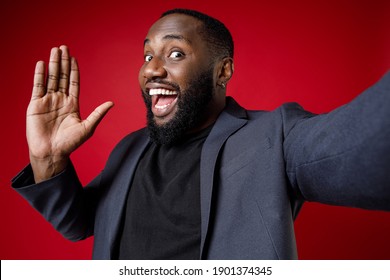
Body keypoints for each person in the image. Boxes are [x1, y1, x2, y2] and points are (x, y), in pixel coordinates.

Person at [11, 8, 390, 260]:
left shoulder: (277, 136)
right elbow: (79, 224)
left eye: (175, 54)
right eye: (147, 56)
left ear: (222, 72)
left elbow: (357, 147)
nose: (152, 70)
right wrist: (48, 159)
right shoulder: (130, 148)